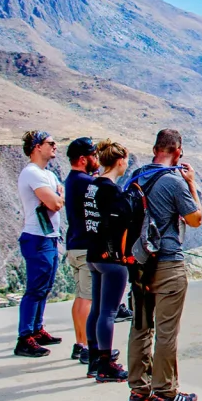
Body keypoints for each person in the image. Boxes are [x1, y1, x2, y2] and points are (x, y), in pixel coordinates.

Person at [126, 129, 202, 401]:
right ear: (178, 151)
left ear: (154, 148)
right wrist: (191, 184)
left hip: (139, 265)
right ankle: (165, 394)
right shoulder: (174, 181)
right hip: (168, 263)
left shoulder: (134, 177)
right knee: (166, 332)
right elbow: (195, 218)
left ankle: (138, 390)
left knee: (140, 327)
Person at [84, 139, 132, 383]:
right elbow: (120, 221)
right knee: (109, 312)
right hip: (111, 258)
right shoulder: (111, 191)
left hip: (93, 255)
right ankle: (106, 363)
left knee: (96, 310)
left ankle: (94, 357)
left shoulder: (92, 186)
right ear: (120, 161)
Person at [14, 130, 64, 357]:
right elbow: (54, 203)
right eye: (50, 143)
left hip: (49, 237)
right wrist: (56, 197)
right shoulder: (32, 174)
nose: (55, 146)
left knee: (44, 286)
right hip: (37, 238)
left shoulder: (48, 175)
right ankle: (24, 337)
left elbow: (58, 197)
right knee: (35, 289)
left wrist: (56, 197)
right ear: (37, 147)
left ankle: (36, 328)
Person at [63, 137, 98, 362]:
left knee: (79, 297)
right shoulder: (86, 182)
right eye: (94, 156)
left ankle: (79, 342)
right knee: (88, 298)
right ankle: (86, 347)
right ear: (84, 159)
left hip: (73, 245)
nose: (97, 160)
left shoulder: (71, 180)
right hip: (86, 248)